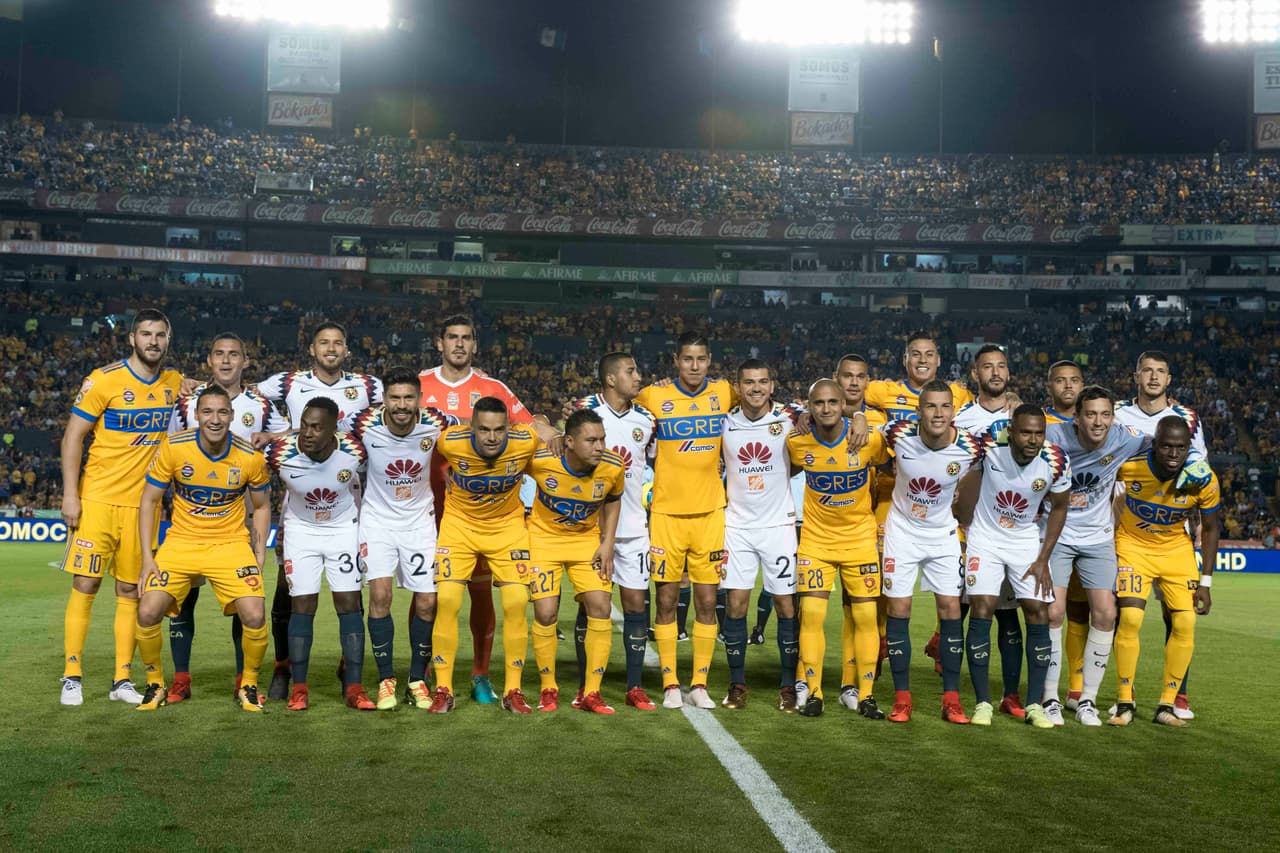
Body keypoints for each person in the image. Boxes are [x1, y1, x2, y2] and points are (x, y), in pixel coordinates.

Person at [1044, 387, 1206, 726]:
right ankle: (1050, 698)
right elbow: (1017, 439)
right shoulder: (1052, 434)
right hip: (1058, 534)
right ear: (1077, 417)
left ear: (1112, 417)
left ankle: (1087, 700)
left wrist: (1195, 464)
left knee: (1106, 614)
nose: (1098, 421)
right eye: (1090, 414)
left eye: (1105, 414)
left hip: (1099, 537)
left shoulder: (1125, 438)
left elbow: (1168, 446)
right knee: (1055, 612)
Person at [59, 308, 182, 706]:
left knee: (130, 590)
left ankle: (121, 680)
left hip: (143, 508)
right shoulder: (104, 380)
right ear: (132, 338)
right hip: (96, 499)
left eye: (160, 335)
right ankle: (72, 675)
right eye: (146, 334)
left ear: (168, 339)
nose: (153, 341)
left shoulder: (174, 382)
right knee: (86, 584)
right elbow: (73, 437)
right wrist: (70, 494)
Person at [257, 321, 384, 701]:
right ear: (311, 349)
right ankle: (285, 670)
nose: (330, 348)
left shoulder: (367, 386)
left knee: (349, 597)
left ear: (347, 349)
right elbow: (244, 398)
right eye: (323, 343)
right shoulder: (286, 383)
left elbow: (392, 412)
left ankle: (351, 672)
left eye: (338, 343)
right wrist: (277, 434)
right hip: (299, 503)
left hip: (347, 494)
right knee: (289, 589)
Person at [164, 332, 289, 704]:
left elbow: (289, 441)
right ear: (209, 360)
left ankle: (242, 679)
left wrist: (271, 438)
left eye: (234, 354)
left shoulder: (261, 404)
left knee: (243, 601)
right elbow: (169, 453)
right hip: (192, 519)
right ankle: (181, 679)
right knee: (182, 599)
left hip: (243, 520)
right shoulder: (188, 402)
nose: (226, 360)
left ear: (245, 361)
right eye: (219, 353)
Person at [132, 386, 272, 712]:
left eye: (222, 412)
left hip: (230, 544)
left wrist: (259, 548)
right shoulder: (174, 447)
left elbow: (262, 506)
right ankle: (154, 684)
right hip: (181, 543)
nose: (215, 419)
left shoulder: (249, 456)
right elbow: (150, 500)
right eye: (207, 412)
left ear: (232, 416)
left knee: (253, 614)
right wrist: (147, 557)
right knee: (147, 610)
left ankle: (249, 685)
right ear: (196, 415)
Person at [418, 315, 534, 706]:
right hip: (423, 510)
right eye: (452, 337)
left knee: (485, 596)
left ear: (475, 345)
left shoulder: (492, 388)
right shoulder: (418, 386)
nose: (459, 345)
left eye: (467, 338)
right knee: (429, 599)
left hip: (487, 510)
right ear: (439, 343)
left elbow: (532, 429)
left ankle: (481, 676)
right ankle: (427, 675)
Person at [633, 332, 735, 710]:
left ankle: (701, 683)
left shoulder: (725, 392)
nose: (695, 366)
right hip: (665, 515)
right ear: (676, 361)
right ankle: (671, 683)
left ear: (710, 360)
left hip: (710, 513)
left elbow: (765, 400)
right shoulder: (654, 396)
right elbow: (615, 402)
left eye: (701, 359)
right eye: (687, 359)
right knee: (666, 598)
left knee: (708, 600)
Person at [954, 405, 1071, 729]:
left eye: (1039, 433)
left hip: (1024, 542)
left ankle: (1034, 703)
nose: (1033, 439)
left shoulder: (1056, 461)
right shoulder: (990, 446)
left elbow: (1060, 507)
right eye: (1026, 432)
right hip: (985, 539)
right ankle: (982, 704)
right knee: (983, 607)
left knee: (1038, 610)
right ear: (1012, 431)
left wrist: (1043, 558)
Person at [349, 367, 455, 710]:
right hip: (377, 522)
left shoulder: (436, 420)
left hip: (420, 524)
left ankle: (417, 679)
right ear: (384, 399)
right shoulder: (362, 422)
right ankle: (385, 680)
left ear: (420, 399)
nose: (402, 405)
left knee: (427, 603)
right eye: (395, 397)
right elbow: (316, 429)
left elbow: (476, 423)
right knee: (380, 595)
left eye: (409, 397)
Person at [880, 380, 984, 724]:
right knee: (899, 606)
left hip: (941, 533)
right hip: (903, 531)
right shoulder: (897, 434)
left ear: (953, 412)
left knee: (951, 609)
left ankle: (951, 700)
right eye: (930, 406)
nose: (938, 413)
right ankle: (902, 698)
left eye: (944, 407)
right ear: (918, 410)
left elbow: (1002, 451)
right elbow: (864, 428)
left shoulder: (970, 446)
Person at [428, 397, 540, 714]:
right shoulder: (451, 440)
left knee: (516, 602)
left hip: (507, 529)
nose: (492, 437)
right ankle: (443, 689)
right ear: (471, 428)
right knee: (447, 600)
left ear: (510, 428)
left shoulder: (525, 441)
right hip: (459, 526)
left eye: (499, 430)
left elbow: (542, 431)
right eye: (484, 430)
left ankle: (513, 690)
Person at [1113, 349, 1208, 721]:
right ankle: (1126, 692)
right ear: (1136, 375)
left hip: (1174, 531)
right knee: (1127, 613)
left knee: (1178, 616)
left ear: (1169, 379)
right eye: (1147, 371)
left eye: (1161, 372)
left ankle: (1177, 697)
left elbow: (1199, 469)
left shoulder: (1187, 418)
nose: (1153, 377)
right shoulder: (1118, 413)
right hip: (1128, 527)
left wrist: (1196, 520)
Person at [787, 379, 888, 718]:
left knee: (865, 616)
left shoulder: (868, 438)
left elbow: (892, 468)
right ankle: (814, 692)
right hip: (815, 541)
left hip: (860, 540)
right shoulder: (797, 443)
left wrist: (861, 417)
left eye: (833, 402)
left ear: (843, 404)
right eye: (819, 404)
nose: (826, 409)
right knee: (812, 616)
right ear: (810, 407)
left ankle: (867, 694)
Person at [266, 398, 373, 711]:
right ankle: (299, 688)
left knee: (349, 603)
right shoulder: (278, 452)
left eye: (316, 427)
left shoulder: (355, 450)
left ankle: (354, 686)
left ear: (333, 430)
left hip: (343, 529)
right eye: (304, 425)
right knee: (302, 604)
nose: (307, 433)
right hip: (301, 531)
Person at [528, 409, 625, 715]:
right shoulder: (543, 460)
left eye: (602, 439)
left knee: (601, 607)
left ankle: (592, 693)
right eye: (591, 440)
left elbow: (612, 500)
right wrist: (546, 428)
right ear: (569, 441)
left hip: (586, 542)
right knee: (546, 612)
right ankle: (548, 687)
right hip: (543, 541)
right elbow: (530, 422)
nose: (600, 447)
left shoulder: (612, 466)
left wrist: (607, 542)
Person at [577, 353, 659, 710]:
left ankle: (634, 685)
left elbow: (655, 463)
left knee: (636, 604)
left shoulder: (648, 419)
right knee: (592, 605)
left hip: (634, 528)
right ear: (611, 379)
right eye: (631, 371)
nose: (639, 377)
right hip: (591, 530)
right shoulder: (584, 410)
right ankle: (586, 686)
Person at [719, 360, 798, 711]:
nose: (756, 388)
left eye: (762, 382)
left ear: (772, 385)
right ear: (738, 386)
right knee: (736, 605)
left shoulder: (791, 419)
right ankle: (737, 684)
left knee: (785, 604)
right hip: (735, 527)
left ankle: (787, 685)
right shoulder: (723, 421)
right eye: (748, 382)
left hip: (779, 526)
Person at [953, 344, 1026, 718]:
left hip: (1013, 532)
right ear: (975, 375)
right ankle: (976, 696)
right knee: (976, 610)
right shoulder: (962, 420)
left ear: (1008, 374)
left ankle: (1010, 695)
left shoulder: (1024, 418)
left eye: (1001, 366)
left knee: (1009, 615)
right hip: (973, 533)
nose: (995, 373)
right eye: (987, 367)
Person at [830, 353, 890, 702]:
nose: (853, 382)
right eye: (847, 376)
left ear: (869, 381)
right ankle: (847, 681)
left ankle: (864, 666)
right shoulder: (819, 415)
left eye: (860, 377)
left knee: (865, 601)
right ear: (836, 378)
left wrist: (862, 418)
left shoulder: (882, 420)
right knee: (844, 604)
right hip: (826, 524)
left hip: (869, 520)